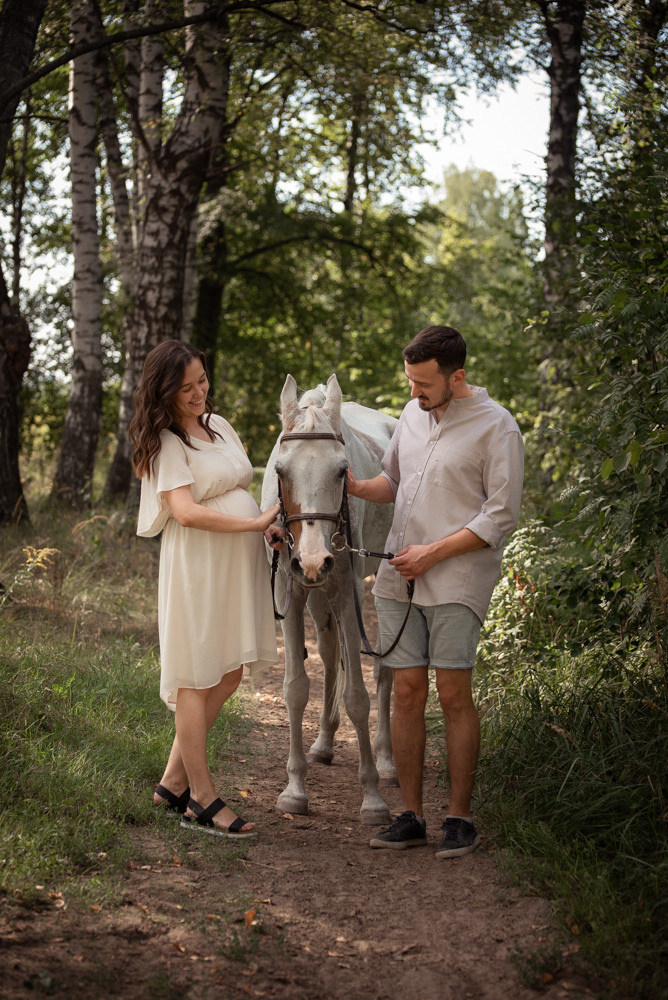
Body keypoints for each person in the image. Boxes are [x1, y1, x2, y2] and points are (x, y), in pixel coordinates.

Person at [347, 325, 524, 858]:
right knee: (404, 693)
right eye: (409, 382)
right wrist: (352, 485)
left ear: (458, 377)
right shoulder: (412, 416)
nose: (413, 394)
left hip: (456, 578)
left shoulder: (498, 429)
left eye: (423, 384)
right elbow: (392, 482)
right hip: (400, 577)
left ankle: (459, 818)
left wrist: (433, 553)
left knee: (452, 694)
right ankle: (412, 816)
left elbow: (501, 515)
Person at [131, 340, 281, 839]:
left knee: (230, 670)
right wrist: (252, 522)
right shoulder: (166, 443)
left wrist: (264, 527)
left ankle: (171, 782)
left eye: (202, 380)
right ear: (164, 391)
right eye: (186, 386)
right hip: (197, 563)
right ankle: (200, 794)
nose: (199, 392)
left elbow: (239, 485)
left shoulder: (219, 427)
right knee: (196, 676)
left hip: (237, 561)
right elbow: (187, 512)